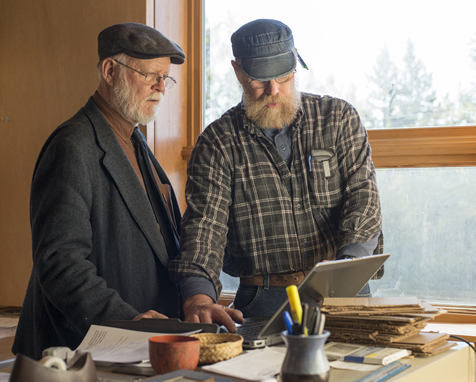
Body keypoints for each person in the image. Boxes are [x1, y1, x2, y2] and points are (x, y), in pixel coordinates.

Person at [169, 19, 383, 329]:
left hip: (342, 291)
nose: (274, 91)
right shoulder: (217, 142)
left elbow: (364, 201)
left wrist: (344, 272)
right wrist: (199, 298)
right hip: (261, 300)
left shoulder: (338, 119)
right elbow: (205, 227)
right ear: (238, 71)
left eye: (283, 77)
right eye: (260, 79)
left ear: (296, 62)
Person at [12, 22, 185, 360]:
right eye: (151, 75)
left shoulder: (136, 141)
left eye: (166, 78)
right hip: (76, 355)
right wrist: (127, 321)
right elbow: (60, 262)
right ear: (109, 71)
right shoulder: (71, 146)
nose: (161, 87)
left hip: (135, 349)